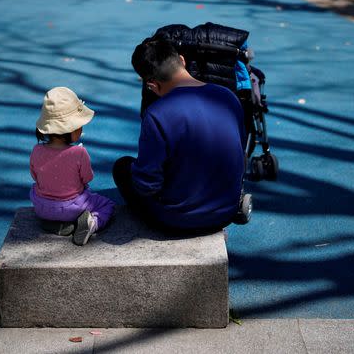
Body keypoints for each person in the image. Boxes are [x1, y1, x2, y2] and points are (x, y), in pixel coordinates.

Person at [113, 38, 249, 234]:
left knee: (122, 167)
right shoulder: (228, 97)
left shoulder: (157, 113)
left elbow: (147, 184)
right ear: (183, 61)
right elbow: (240, 149)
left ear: (152, 85)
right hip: (225, 213)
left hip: (176, 220)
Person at [30, 87, 115, 245]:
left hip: (42, 207)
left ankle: (58, 225)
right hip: (73, 208)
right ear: (71, 129)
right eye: (80, 126)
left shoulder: (36, 150)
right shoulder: (79, 153)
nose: (81, 129)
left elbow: (35, 176)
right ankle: (92, 224)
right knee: (106, 204)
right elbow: (87, 178)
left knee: (36, 189)